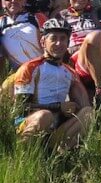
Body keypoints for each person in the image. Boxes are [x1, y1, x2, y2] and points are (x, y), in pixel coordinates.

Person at [13, 18, 92, 150]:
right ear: (43, 42)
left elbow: (83, 105)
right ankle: (23, 154)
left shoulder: (70, 73)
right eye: (53, 38)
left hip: (56, 126)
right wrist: (58, 107)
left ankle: (59, 156)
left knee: (88, 112)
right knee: (45, 115)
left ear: (68, 43)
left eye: (63, 39)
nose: (58, 43)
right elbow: (21, 108)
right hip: (31, 121)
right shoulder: (30, 68)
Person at [1, 0, 42, 75]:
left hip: (41, 71)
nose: (13, 1)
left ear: (25, 1)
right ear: (2, 3)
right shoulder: (1, 23)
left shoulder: (37, 18)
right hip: (17, 75)